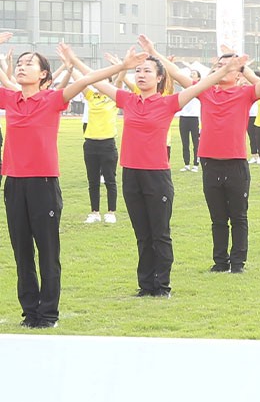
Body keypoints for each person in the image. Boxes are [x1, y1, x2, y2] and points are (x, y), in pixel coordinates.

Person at [71, 43, 245, 298]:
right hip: (131, 174)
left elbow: (199, 86)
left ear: (160, 77)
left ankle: (162, 285)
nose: (141, 75)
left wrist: (225, 70)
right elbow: (91, 80)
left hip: (157, 176)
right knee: (142, 234)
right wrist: (75, 59)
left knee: (159, 234)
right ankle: (146, 285)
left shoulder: (169, 102)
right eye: (138, 71)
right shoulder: (127, 99)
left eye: (147, 71)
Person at [0, 38, 138, 328]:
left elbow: (88, 78)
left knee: (48, 252)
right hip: (14, 184)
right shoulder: (10, 98)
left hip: (44, 185)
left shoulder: (53, 99)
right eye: (20, 64)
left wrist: (122, 66)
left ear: (44, 75)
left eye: (30, 64)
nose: (22, 67)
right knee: (22, 253)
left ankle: (48, 314)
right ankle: (30, 313)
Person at [137, 37, 260, 273]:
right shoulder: (206, 91)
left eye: (227, 68)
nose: (221, 71)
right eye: (218, 67)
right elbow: (175, 72)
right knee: (217, 218)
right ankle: (220, 262)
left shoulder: (247, 93)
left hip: (236, 162)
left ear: (238, 74)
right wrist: (153, 51)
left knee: (238, 216)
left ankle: (238, 263)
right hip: (209, 161)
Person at [74, 65, 122, 224]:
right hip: (90, 144)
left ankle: (111, 212)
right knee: (93, 180)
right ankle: (94, 212)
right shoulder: (91, 96)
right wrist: (70, 66)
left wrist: (122, 65)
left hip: (107, 144)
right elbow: (80, 81)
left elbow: (120, 80)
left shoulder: (114, 98)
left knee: (110, 179)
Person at [177, 70, 201, 172]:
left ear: (198, 78)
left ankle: (196, 164)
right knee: (185, 142)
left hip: (194, 118)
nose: (191, 75)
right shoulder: (185, 87)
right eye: (190, 73)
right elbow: (176, 78)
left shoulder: (199, 87)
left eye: (193, 74)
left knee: (196, 142)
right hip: (183, 117)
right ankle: (186, 164)